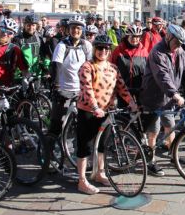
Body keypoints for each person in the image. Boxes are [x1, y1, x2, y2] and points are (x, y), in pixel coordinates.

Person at [76, 34, 138, 195]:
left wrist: (131, 102)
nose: (103, 51)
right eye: (100, 48)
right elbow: (87, 89)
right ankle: (82, 180)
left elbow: (122, 87)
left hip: (107, 111)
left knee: (103, 144)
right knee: (85, 146)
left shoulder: (113, 68)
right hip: (89, 111)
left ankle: (99, 173)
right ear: (95, 49)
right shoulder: (87, 67)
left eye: (106, 48)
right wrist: (95, 107)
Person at [139, 24, 185, 176]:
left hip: (170, 98)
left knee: (171, 126)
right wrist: (175, 94)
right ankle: (151, 161)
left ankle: (173, 156)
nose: (178, 46)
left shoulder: (180, 52)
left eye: (181, 44)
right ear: (168, 37)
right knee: (153, 131)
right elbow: (162, 76)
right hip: (154, 97)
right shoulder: (157, 52)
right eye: (176, 42)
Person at [47, 15, 92, 141]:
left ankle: (73, 149)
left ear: (82, 30)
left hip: (80, 89)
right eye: (73, 28)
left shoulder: (86, 45)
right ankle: (48, 153)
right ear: (69, 29)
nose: (75, 30)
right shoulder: (62, 46)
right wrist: (57, 87)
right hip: (64, 89)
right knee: (56, 124)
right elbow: (56, 66)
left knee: (82, 123)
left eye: (78, 28)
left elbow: (90, 67)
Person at [111, 25, 148, 98]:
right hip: (123, 89)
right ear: (127, 36)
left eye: (137, 37)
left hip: (139, 89)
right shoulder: (118, 50)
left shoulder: (144, 51)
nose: (135, 39)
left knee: (140, 108)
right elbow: (111, 68)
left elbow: (148, 69)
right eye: (132, 36)